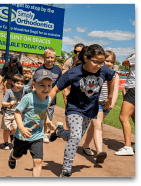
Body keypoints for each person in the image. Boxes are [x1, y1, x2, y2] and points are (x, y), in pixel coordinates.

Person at [48, 44, 116, 177]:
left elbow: (111, 78)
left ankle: (59, 132)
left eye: (101, 62)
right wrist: (43, 108)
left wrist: (109, 97)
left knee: (75, 138)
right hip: (74, 108)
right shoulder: (73, 72)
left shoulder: (104, 70)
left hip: (90, 110)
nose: (99, 65)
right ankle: (66, 170)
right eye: (95, 62)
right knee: (76, 136)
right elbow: (55, 90)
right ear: (86, 58)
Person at [8, 69, 55, 177]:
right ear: (34, 84)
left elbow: (43, 112)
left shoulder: (48, 99)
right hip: (22, 136)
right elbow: (17, 113)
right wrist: (22, 128)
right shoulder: (28, 98)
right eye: (42, 85)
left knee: (38, 161)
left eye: (49, 85)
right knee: (17, 156)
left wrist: (47, 121)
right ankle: (12, 156)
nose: (46, 88)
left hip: (37, 135)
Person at [82, 50, 119, 163]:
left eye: (111, 61)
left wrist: (112, 102)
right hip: (96, 103)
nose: (109, 63)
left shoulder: (114, 74)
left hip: (106, 104)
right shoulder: (98, 72)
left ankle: (86, 145)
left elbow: (116, 89)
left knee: (94, 126)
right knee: (98, 125)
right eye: (106, 61)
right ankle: (100, 152)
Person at [36, 48, 62, 143]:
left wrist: (54, 92)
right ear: (44, 58)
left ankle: (45, 133)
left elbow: (60, 83)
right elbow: (36, 82)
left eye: (52, 57)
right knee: (41, 114)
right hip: (41, 96)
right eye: (48, 57)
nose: (50, 59)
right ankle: (40, 132)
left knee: (49, 115)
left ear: (54, 58)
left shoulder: (58, 69)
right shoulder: (40, 69)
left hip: (52, 98)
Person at [115, 54, 135, 155]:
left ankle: (127, 147)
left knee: (123, 117)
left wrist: (132, 56)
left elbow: (124, 63)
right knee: (134, 118)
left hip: (133, 88)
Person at [62, 43, 85, 130]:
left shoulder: (86, 62)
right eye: (76, 51)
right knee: (68, 109)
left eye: (80, 51)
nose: (78, 53)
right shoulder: (69, 61)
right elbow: (64, 77)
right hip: (69, 89)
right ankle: (68, 129)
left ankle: (77, 128)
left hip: (82, 90)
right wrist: (65, 90)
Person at [1, 74, 25, 150]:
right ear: (13, 83)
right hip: (7, 114)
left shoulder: (23, 92)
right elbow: (3, 103)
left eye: (22, 84)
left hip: (16, 114)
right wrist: (9, 103)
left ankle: (12, 135)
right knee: (6, 129)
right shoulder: (9, 92)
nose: (20, 85)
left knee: (15, 128)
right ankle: (5, 142)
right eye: (18, 83)